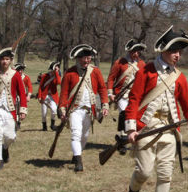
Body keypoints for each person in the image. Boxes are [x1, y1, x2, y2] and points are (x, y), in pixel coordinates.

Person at [123, 26, 188, 192]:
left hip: (169, 129)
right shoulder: (146, 71)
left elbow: (187, 106)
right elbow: (134, 99)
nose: (178, 55)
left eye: (179, 52)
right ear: (164, 51)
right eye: (174, 51)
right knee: (144, 172)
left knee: (166, 173)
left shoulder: (180, 77)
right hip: (146, 129)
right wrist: (131, 128)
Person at [59, 44, 109, 172]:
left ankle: (77, 154)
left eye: (88, 58)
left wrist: (105, 104)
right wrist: (62, 109)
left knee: (84, 136)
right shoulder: (70, 73)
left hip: (89, 110)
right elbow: (64, 93)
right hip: (74, 110)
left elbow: (102, 89)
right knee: (76, 134)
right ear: (78, 59)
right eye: (84, 58)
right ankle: (78, 161)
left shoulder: (95, 71)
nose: (87, 61)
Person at [107, 39, 146, 154]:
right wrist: (110, 93)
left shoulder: (142, 64)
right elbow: (110, 78)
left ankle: (124, 138)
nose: (136, 54)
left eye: (138, 52)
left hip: (135, 95)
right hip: (121, 94)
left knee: (134, 116)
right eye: (134, 51)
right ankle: (123, 140)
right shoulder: (120, 62)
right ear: (129, 51)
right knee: (124, 114)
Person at [38, 61, 61, 131]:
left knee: (54, 110)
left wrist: (56, 72)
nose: (57, 69)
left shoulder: (57, 76)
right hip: (44, 96)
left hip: (52, 96)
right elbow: (41, 87)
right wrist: (39, 96)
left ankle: (52, 125)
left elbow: (59, 82)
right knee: (44, 113)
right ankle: (44, 126)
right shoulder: (45, 76)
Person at [14, 63, 32, 130]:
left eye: (21, 70)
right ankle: (15, 122)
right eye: (19, 70)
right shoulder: (13, 76)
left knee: (20, 110)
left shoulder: (26, 77)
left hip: (22, 96)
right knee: (15, 110)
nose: (20, 71)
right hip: (14, 95)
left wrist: (29, 95)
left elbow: (30, 87)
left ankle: (18, 122)